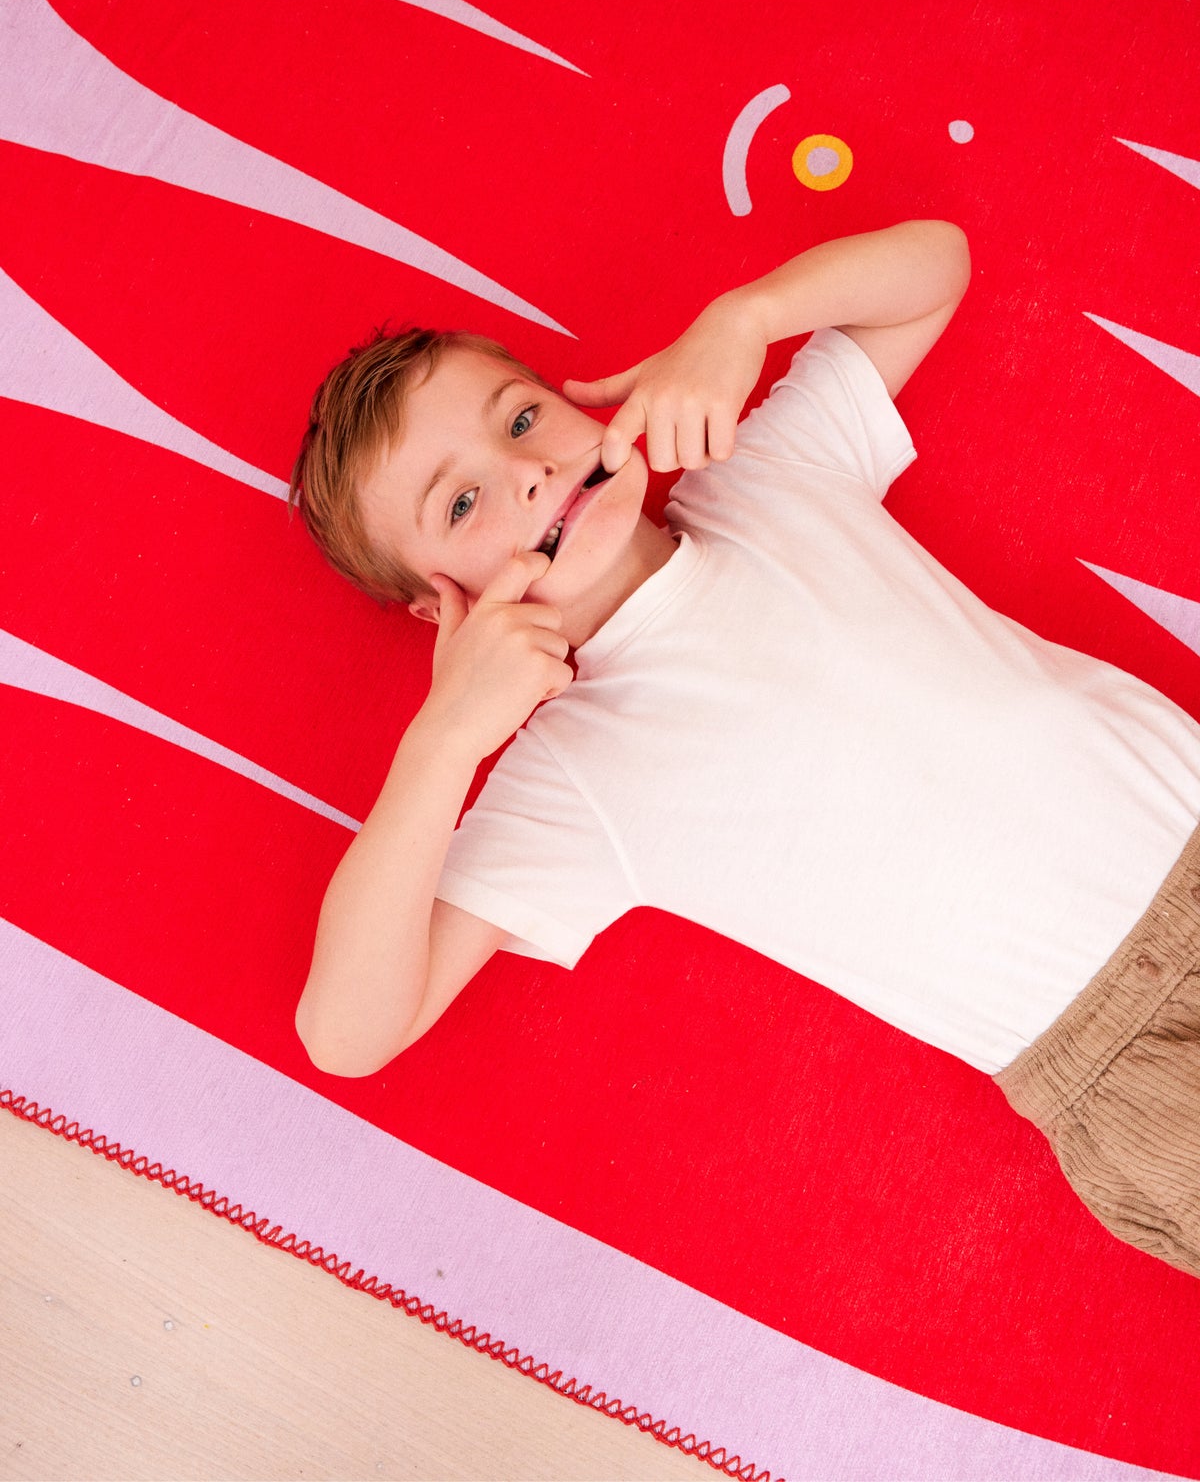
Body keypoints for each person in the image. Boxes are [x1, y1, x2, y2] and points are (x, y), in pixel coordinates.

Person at [288, 219, 1200, 1279]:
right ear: (433, 606)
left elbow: (934, 266)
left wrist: (745, 318)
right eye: (462, 502)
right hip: (1119, 1058)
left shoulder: (765, 469)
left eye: (524, 417)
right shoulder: (572, 776)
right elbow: (348, 1034)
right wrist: (443, 741)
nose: (528, 474)